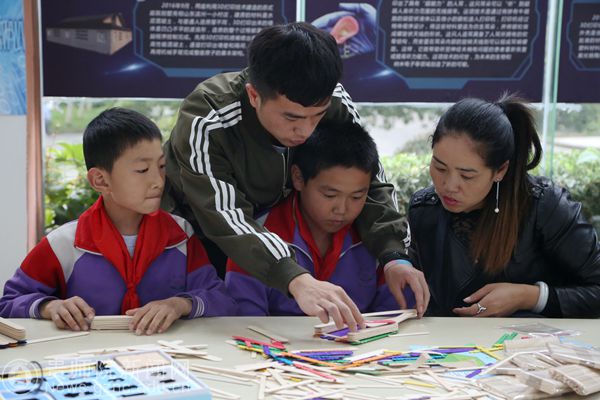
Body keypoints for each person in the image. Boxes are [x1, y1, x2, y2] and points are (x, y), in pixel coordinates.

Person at [162, 21, 428, 329]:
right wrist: (294, 277)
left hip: (271, 238)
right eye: (291, 117)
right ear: (254, 95)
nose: (306, 131)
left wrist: (394, 256)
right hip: (192, 240)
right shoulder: (208, 117)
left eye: (318, 115)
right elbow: (223, 215)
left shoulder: (334, 100)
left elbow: (368, 179)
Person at [0, 108, 236, 334]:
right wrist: (49, 306)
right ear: (100, 180)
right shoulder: (62, 244)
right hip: (89, 357)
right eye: (142, 170)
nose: (158, 181)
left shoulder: (181, 234)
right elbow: (8, 303)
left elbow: (221, 300)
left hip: (164, 357)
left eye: (162, 166)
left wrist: (180, 304)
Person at [408, 94, 600, 318]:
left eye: (467, 176)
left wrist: (529, 297)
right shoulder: (424, 209)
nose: (449, 186)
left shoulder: (544, 206)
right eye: (440, 168)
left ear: (500, 170)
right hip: (448, 340)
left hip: (531, 339)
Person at [225, 122, 414, 315]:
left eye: (357, 197)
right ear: (298, 178)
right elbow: (245, 321)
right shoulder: (256, 236)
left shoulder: (378, 241)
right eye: (330, 195)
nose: (342, 209)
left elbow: (395, 316)